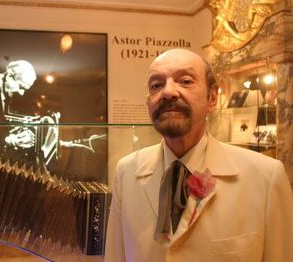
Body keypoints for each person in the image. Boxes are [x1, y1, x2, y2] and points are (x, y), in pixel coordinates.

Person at [104, 49, 293, 261]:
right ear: (148, 101)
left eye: (185, 81)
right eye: (156, 85)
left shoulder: (265, 178)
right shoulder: (126, 173)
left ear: (212, 97)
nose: (168, 92)